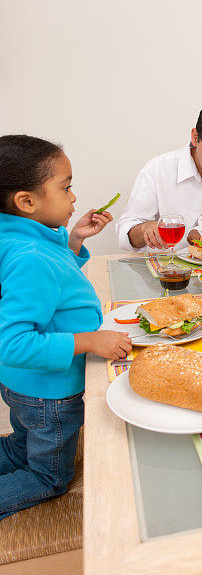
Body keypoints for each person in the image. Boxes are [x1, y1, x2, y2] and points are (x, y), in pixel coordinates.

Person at [0, 135, 132, 519]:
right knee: (48, 477)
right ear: (27, 202)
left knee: (23, 441)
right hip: (49, 396)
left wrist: (74, 239)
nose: (74, 198)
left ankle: (18, 450)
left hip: (24, 387)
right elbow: (12, 343)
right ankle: (34, 469)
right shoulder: (31, 256)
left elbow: (51, 287)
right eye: (66, 187)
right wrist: (89, 340)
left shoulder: (22, 236)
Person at [116, 101, 202, 251]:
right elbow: (124, 232)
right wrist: (144, 229)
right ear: (195, 137)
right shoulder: (158, 170)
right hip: (166, 270)